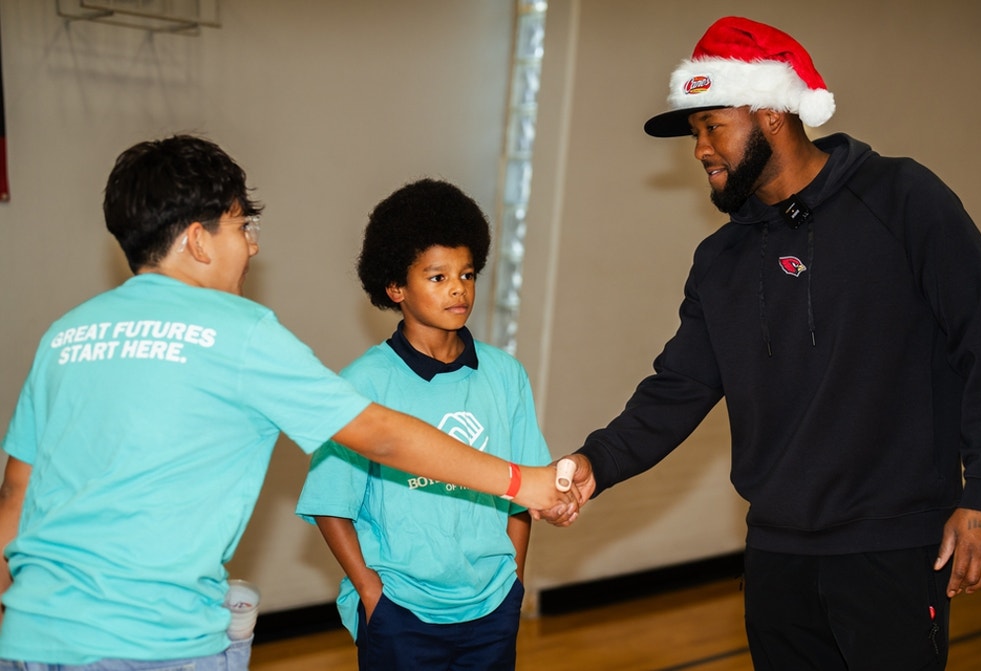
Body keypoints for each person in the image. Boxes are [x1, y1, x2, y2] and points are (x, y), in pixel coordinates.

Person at [544, 16, 981, 671]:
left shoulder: (904, 199)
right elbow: (678, 387)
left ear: (771, 112)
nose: (699, 150)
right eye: (694, 133)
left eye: (712, 126)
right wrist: (594, 463)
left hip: (891, 546)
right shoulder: (722, 258)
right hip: (778, 556)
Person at [0, 135, 572, 670]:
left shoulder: (65, 334)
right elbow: (383, 436)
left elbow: (16, 495)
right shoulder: (240, 331)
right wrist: (525, 483)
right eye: (240, 226)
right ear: (198, 240)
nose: (251, 244)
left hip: (28, 633)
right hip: (148, 644)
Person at [296, 178, 550, 670]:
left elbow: (526, 491)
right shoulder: (363, 384)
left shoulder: (505, 375)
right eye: (437, 277)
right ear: (396, 287)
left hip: (492, 609)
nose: (458, 287)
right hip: (401, 614)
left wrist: (513, 579)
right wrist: (371, 593)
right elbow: (330, 504)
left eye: (467, 273)